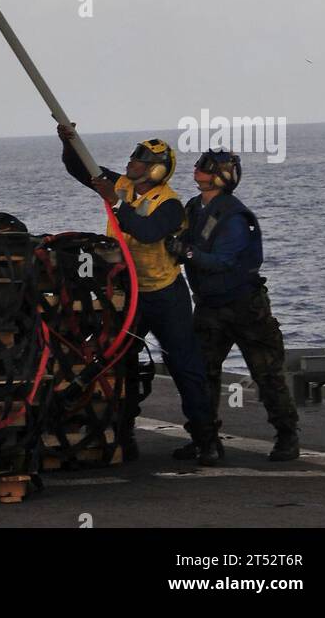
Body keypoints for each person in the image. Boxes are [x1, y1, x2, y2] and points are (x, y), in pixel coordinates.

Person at [59, 125, 220, 464]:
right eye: (134, 157)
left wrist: (116, 203)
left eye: (140, 159)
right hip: (130, 294)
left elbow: (146, 232)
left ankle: (206, 439)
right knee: (120, 361)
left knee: (184, 366)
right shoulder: (122, 186)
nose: (132, 162)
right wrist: (68, 142)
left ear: (158, 169)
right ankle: (123, 435)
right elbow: (80, 168)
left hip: (165, 296)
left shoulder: (170, 204)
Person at [171, 150, 300, 463]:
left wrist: (185, 253)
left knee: (267, 373)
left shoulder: (235, 217)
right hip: (209, 306)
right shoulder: (194, 207)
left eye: (205, 167)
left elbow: (223, 262)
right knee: (201, 374)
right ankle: (205, 438)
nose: (197, 170)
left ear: (221, 176)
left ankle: (287, 436)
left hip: (245, 307)